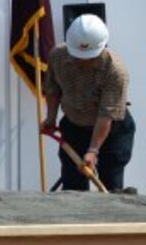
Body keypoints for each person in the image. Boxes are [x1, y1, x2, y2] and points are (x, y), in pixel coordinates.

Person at [42, 13, 135, 191]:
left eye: (89, 57)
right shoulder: (57, 56)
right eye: (78, 56)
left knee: (111, 187)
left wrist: (93, 150)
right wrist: (51, 117)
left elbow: (106, 114)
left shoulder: (115, 70)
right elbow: (53, 89)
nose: (82, 61)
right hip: (74, 127)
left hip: (111, 131)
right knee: (72, 187)